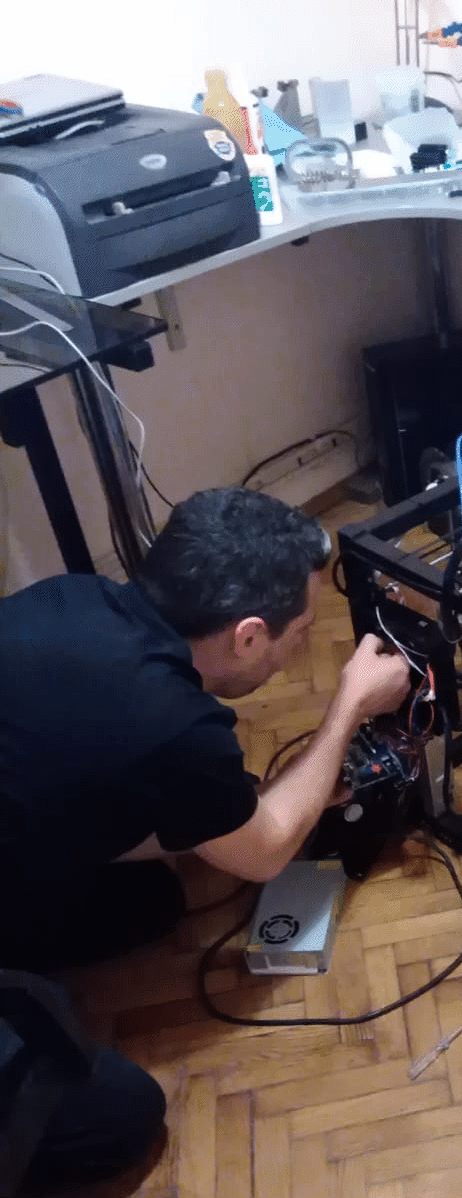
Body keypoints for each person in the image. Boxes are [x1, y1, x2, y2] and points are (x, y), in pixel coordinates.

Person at [0, 487, 413, 1191]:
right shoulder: (173, 722)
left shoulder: (74, 596)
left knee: (161, 897)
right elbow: (266, 850)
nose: (300, 651)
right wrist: (347, 705)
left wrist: (246, 803)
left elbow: (94, 782)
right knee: (123, 1118)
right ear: (248, 634)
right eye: (300, 633)